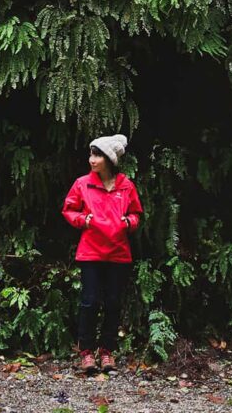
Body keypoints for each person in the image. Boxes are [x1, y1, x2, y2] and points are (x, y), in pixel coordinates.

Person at [61, 133, 143, 374]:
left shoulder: (126, 185)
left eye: (96, 155)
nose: (91, 159)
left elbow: (137, 214)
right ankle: (86, 352)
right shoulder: (82, 183)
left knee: (113, 303)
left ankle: (107, 352)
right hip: (90, 252)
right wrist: (83, 220)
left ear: (109, 159)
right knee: (89, 302)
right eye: (91, 154)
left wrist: (128, 222)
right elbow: (68, 210)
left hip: (118, 253)